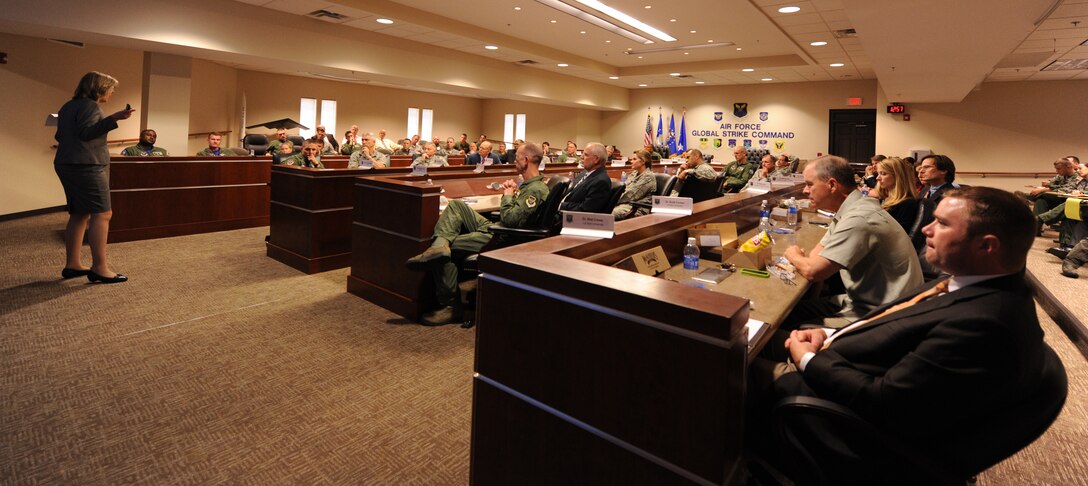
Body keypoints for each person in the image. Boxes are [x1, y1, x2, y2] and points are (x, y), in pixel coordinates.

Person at [753, 187, 1056, 482]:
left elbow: (882, 402)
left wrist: (808, 361)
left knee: (736, 359)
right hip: (842, 354)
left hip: (837, 410)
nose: (926, 229)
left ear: (986, 246)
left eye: (942, 223)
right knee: (757, 335)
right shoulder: (964, 281)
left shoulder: (986, 322)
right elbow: (892, 324)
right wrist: (827, 332)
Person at [405, 142, 550, 326]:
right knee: (457, 205)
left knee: (447, 250)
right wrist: (512, 193)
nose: (514, 161)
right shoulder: (531, 185)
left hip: (503, 238)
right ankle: (439, 246)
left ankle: (451, 307)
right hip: (498, 228)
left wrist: (507, 195)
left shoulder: (535, 190)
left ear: (526, 160)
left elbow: (511, 220)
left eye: (517, 157)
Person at [783, 155, 922, 328]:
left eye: (810, 184)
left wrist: (793, 254)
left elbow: (813, 271)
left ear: (832, 185)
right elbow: (814, 258)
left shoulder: (859, 218)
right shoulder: (853, 208)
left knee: (790, 328)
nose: (805, 190)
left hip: (882, 315)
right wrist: (805, 262)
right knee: (791, 313)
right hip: (864, 301)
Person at [53, 71, 134, 284]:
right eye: (111, 88)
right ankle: (100, 268)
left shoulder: (68, 106)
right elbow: (86, 133)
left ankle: (72, 264)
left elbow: (59, 135)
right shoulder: (91, 106)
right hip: (87, 165)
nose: (112, 92)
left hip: (66, 163)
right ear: (100, 87)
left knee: (79, 213)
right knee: (103, 213)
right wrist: (114, 118)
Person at [868, 156, 922, 233]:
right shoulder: (885, 198)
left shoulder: (907, 203)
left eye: (883, 174)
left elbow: (897, 234)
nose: (877, 178)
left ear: (898, 176)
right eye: (878, 173)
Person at [560, 142, 612, 213]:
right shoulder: (585, 172)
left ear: (596, 159)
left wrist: (560, 206)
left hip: (567, 215)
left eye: (586, 155)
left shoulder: (601, 181)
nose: (581, 157)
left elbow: (585, 209)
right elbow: (571, 193)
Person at [611, 150, 657, 220]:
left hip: (637, 207)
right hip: (625, 203)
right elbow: (624, 189)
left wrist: (611, 200)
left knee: (606, 213)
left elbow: (630, 195)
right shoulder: (634, 173)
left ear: (643, 161)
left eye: (634, 159)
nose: (631, 161)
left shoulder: (648, 177)